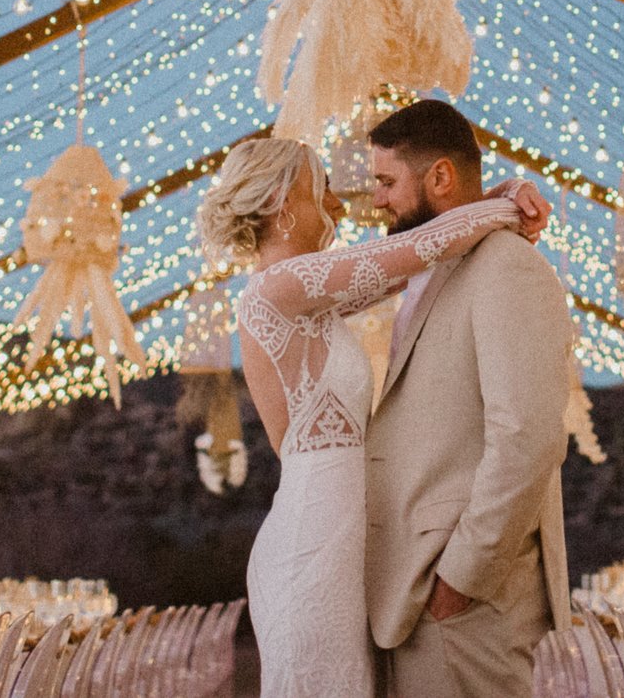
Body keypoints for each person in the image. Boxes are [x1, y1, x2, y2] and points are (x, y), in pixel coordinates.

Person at [196, 131, 550, 698]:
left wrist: (499, 194)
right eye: (324, 190)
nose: (339, 205)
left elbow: (419, 260)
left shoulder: (310, 296)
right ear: (281, 204)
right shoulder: (274, 288)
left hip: (341, 542)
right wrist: (504, 204)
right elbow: (419, 250)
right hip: (313, 544)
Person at [364, 99, 573, 698]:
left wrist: (461, 580)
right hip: (413, 594)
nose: (376, 199)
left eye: (386, 181)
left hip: (467, 604)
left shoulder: (509, 268)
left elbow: (528, 436)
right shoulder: (432, 264)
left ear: (440, 178)